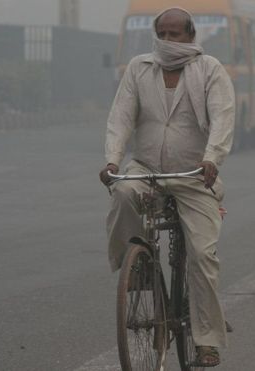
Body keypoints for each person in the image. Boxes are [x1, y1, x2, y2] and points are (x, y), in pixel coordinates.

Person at [98, 7, 235, 367]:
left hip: (193, 174)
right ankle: (138, 270)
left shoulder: (210, 70)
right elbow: (121, 117)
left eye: (177, 34)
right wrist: (112, 160)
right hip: (145, 168)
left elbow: (223, 117)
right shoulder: (139, 69)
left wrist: (212, 159)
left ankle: (207, 339)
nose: (170, 41)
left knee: (202, 256)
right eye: (164, 34)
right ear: (155, 35)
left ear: (191, 36)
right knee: (124, 193)